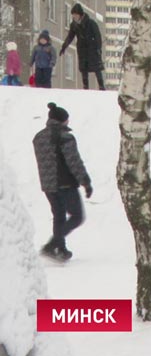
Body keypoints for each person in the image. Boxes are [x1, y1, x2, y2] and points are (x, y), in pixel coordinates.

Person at [32, 102, 93, 261]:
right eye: (67, 119)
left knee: (59, 216)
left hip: (48, 184)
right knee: (77, 216)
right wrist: (85, 181)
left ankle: (60, 249)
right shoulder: (64, 137)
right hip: (65, 183)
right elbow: (74, 161)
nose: (68, 122)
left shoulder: (39, 137)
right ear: (62, 120)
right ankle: (53, 244)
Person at [60, 3, 106, 90]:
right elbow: (70, 36)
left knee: (97, 68)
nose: (74, 17)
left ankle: (101, 86)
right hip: (82, 49)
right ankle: (85, 86)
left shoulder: (91, 23)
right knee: (83, 68)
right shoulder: (74, 25)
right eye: (73, 15)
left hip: (92, 49)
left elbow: (97, 36)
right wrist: (64, 46)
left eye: (75, 15)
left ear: (80, 14)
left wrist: (98, 48)